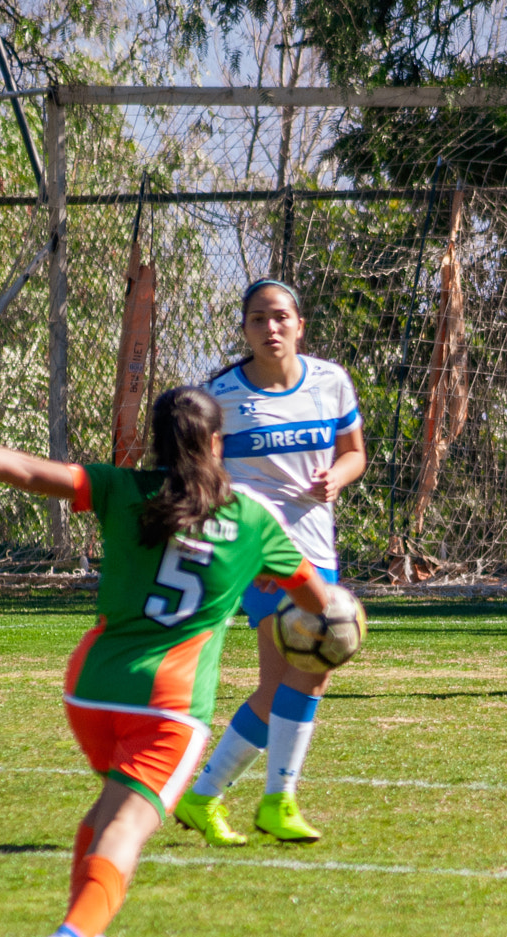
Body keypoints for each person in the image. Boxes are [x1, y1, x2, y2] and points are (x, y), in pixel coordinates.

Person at [0, 387, 332, 937]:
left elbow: (30, 471)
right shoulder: (252, 520)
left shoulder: (124, 490)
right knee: (127, 827)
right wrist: (335, 617)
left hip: (90, 688)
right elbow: (316, 603)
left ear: (156, 443)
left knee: (104, 813)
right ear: (218, 445)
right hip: (169, 705)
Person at [174, 279, 367, 847]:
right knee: (303, 669)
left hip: (317, 549)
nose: (271, 327)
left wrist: (338, 475)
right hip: (259, 554)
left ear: (300, 324)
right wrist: (237, 545)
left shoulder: (330, 381)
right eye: (258, 319)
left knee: (299, 678)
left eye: (280, 316)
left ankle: (206, 796)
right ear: (246, 330)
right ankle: (276, 800)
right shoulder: (220, 398)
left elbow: (354, 451)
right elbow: (201, 481)